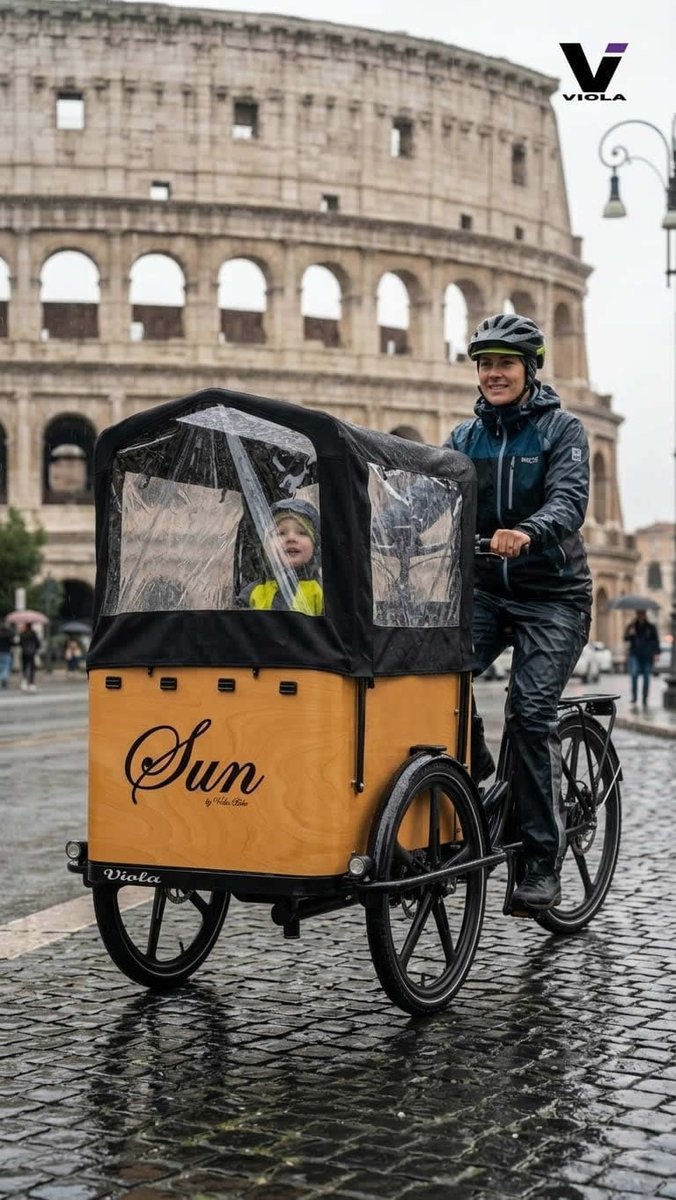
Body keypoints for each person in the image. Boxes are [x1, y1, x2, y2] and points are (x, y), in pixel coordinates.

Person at [449, 313, 592, 912]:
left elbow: (569, 499)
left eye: (505, 364)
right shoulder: (463, 440)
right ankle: (483, 776)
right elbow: (436, 499)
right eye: (485, 364)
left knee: (530, 712)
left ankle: (540, 859)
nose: (493, 374)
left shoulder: (562, 430)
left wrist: (528, 531)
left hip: (552, 594)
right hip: (485, 590)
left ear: (529, 370)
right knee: (435, 679)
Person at [240, 498, 323, 615]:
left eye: (302, 533)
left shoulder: (320, 591)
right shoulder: (254, 591)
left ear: (315, 547)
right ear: (266, 547)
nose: (291, 538)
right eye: (280, 533)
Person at [624, 609, 659, 708]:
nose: (640, 615)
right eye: (639, 613)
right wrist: (629, 634)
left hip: (647, 656)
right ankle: (634, 697)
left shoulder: (651, 627)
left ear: (645, 614)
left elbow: (656, 641)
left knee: (647, 677)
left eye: (642, 613)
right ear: (637, 614)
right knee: (634, 675)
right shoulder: (632, 626)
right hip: (635, 654)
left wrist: (656, 653)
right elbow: (625, 639)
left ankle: (644, 698)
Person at [19, 622, 40, 692]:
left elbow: (20, 643)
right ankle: (31, 684)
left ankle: (24, 682)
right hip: (32, 653)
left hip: (24, 652)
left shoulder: (22, 634)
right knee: (32, 668)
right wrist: (35, 649)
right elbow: (38, 643)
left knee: (24, 667)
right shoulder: (34, 634)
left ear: (26, 626)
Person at [0, 622, 13, 689]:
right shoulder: (8, 635)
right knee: (6, 668)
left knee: (1, 668)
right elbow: (12, 643)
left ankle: (2, 680)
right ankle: (4, 681)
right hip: (6, 653)